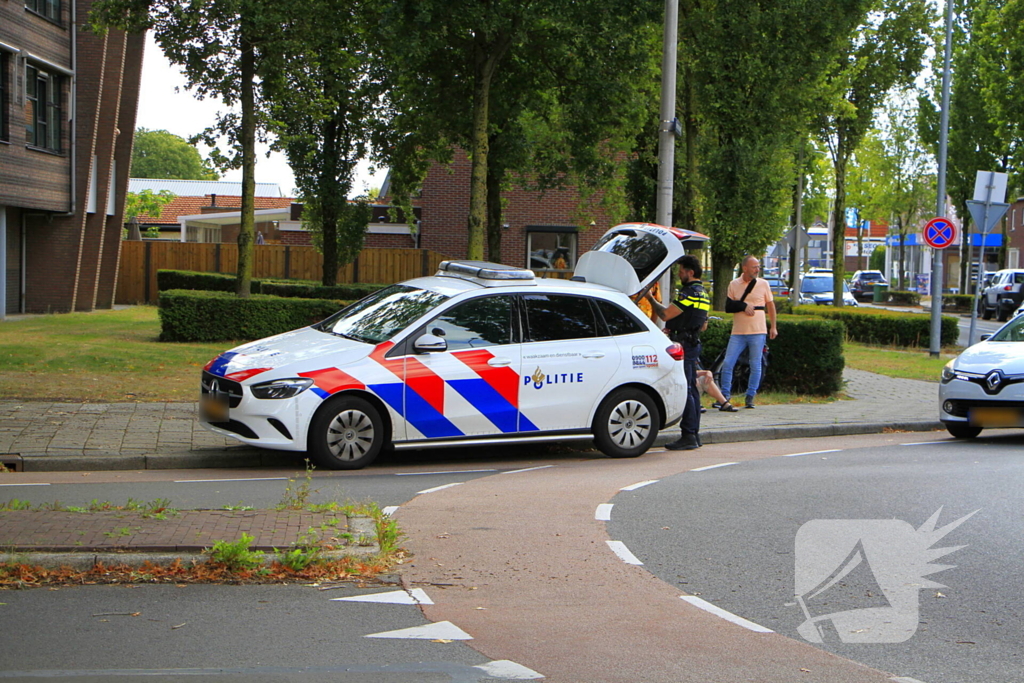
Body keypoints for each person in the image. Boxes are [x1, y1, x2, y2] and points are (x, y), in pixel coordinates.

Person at [646, 254, 711, 450]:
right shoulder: (704, 293)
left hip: (684, 344)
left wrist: (650, 298)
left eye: (682, 271)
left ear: (690, 272)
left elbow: (665, 314)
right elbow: (704, 325)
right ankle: (694, 434)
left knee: (688, 389)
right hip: (693, 341)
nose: (680, 274)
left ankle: (688, 435)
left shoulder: (689, 293)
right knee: (692, 387)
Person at [719, 255, 778, 409]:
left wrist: (773, 326)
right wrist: (743, 306)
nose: (757, 270)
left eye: (758, 267)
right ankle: (724, 396)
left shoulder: (763, 284)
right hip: (738, 332)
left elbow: (770, 305)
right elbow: (729, 306)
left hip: (758, 330)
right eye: (754, 267)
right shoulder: (734, 284)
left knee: (755, 363)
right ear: (745, 268)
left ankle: (750, 395)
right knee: (728, 362)